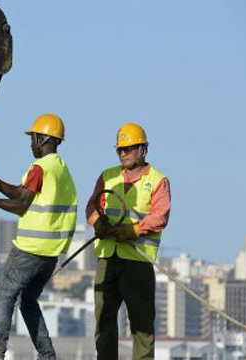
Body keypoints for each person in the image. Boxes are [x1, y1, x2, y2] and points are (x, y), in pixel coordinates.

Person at [0, 114, 78, 360]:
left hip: (29, 249)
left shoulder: (40, 168)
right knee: (28, 301)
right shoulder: (61, 170)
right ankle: (47, 356)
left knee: (4, 295)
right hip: (49, 255)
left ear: (42, 138)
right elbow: (20, 192)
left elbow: (20, 205)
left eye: (32, 138)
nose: (30, 143)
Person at [85, 123, 171, 360]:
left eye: (130, 148)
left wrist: (132, 230)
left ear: (143, 150)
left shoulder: (157, 181)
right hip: (107, 259)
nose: (124, 153)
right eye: (120, 149)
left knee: (141, 326)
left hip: (137, 262)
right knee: (104, 323)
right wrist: (97, 222)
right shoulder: (107, 176)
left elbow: (160, 216)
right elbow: (92, 205)